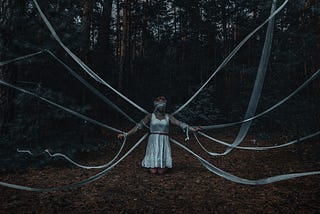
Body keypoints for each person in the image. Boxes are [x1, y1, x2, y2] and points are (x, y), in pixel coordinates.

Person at [117, 96, 201, 175]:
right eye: (160, 104)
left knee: (161, 171)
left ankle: (163, 163)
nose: (162, 106)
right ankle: (153, 163)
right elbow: (138, 127)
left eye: (164, 104)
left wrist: (193, 129)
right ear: (156, 105)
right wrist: (126, 134)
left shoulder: (169, 116)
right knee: (153, 171)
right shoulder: (150, 116)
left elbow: (180, 124)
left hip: (164, 140)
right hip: (153, 140)